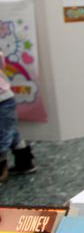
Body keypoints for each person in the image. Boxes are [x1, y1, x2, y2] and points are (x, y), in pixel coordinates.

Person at [0, 51, 35, 182]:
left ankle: (1, 168)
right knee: (11, 131)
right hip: (6, 99)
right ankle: (25, 162)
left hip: (3, 100)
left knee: (4, 134)